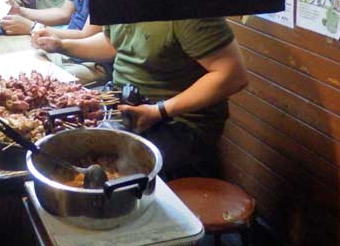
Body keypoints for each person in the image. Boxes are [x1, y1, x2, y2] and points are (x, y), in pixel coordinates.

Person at [35, 18, 248, 178]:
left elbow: (232, 75)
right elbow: (111, 44)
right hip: (121, 103)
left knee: (101, 166)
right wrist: (61, 44)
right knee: (52, 132)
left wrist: (159, 111)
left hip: (179, 123)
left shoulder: (189, 11)